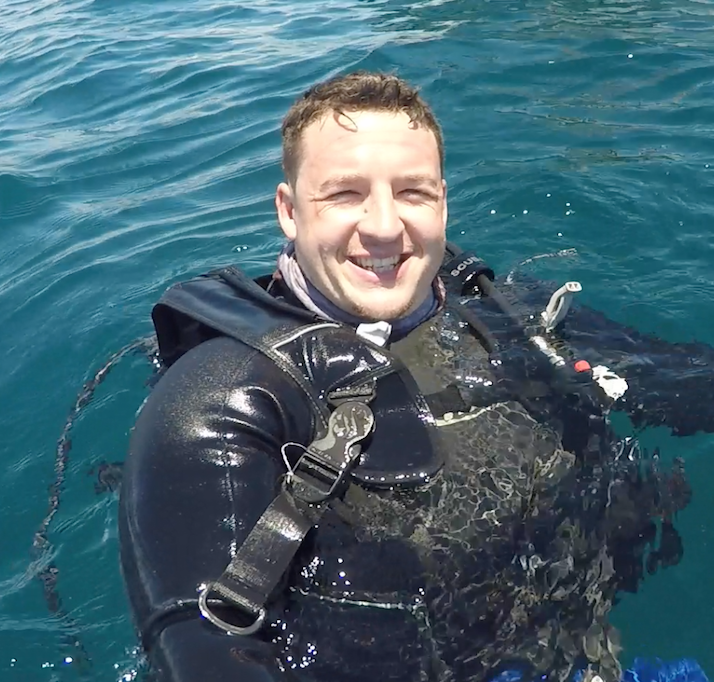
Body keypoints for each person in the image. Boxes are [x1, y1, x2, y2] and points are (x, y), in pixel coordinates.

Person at [119, 72, 709, 682]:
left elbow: (689, 387)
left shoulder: (514, 317)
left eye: (412, 192)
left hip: (589, 644)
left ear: (443, 202)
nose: (383, 226)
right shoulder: (221, 397)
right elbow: (202, 643)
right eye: (344, 194)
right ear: (289, 212)